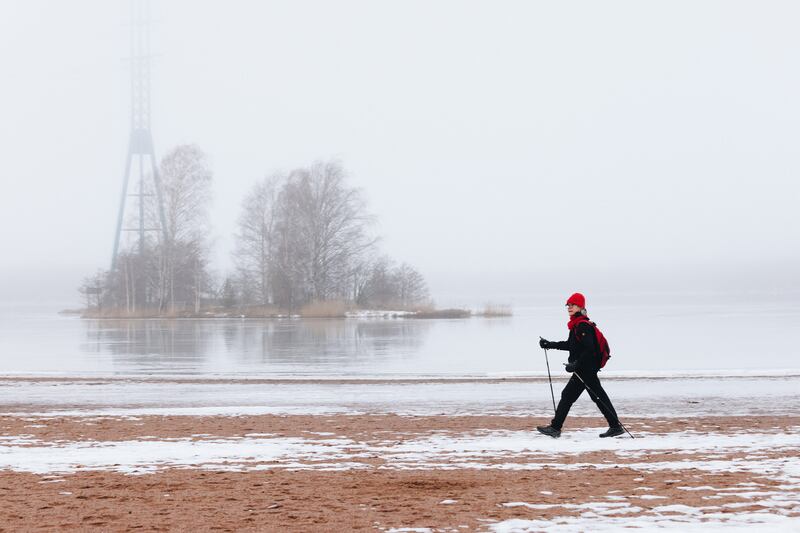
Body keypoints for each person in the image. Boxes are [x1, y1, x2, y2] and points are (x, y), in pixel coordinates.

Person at [536, 292, 623, 438]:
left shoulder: (582, 326)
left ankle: (555, 428)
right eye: (568, 305)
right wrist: (549, 344)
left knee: (573, 396)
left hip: (585, 369)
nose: (569, 307)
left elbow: (590, 349)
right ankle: (615, 426)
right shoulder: (576, 325)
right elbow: (571, 345)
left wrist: (575, 365)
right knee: (597, 396)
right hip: (586, 369)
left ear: (580, 306)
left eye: (573, 305)